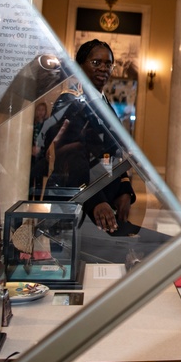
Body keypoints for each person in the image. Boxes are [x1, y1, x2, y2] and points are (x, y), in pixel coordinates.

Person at [42, 39, 135, 231]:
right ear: (79, 66)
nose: (103, 68)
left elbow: (113, 153)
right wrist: (96, 201)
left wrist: (124, 188)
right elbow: (71, 156)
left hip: (105, 202)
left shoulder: (104, 102)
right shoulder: (69, 101)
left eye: (108, 64)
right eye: (96, 63)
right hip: (75, 202)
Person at [29, 101, 49, 198]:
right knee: (30, 178)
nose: (41, 112)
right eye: (39, 110)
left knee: (39, 180)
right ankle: (28, 198)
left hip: (42, 156)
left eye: (43, 110)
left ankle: (37, 199)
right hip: (31, 155)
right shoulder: (31, 124)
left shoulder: (47, 124)